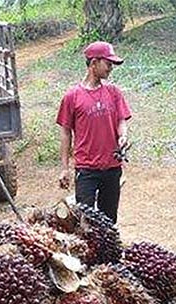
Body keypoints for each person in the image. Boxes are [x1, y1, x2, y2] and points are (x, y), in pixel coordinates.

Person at [56, 41, 132, 222]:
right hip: (86, 170)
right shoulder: (72, 96)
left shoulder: (113, 92)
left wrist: (123, 135)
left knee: (109, 221)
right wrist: (65, 168)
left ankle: (108, 251)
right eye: (108, 63)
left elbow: (121, 120)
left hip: (112, 168)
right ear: (93, 63)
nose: (111, 68)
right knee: (86, 222)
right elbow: (66, 133)